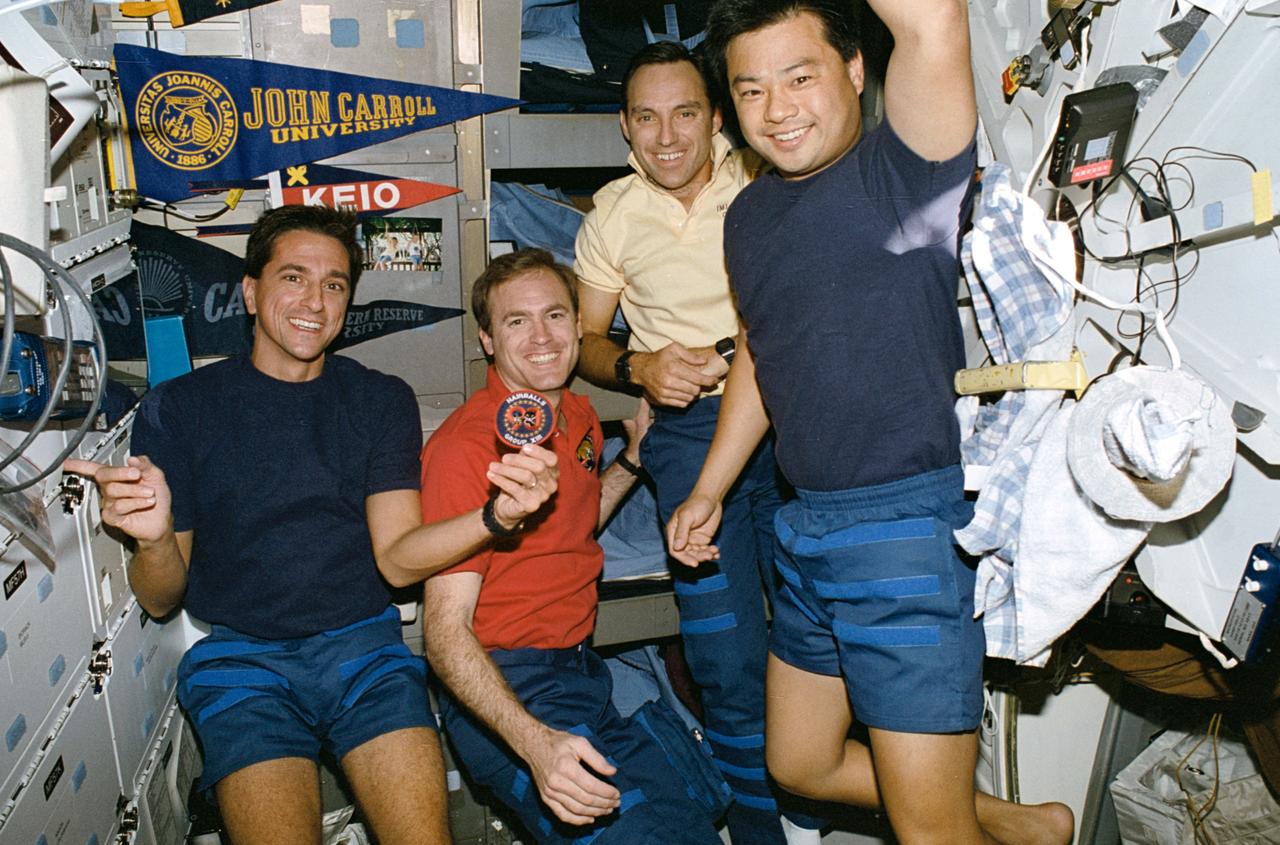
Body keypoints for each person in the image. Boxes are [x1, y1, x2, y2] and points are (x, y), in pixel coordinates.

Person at [667, 2, 1075, 844]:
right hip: (805, 525)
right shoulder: (748, 218)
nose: (777, 109)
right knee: (800, 764)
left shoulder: (908, 171)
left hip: (903, 532)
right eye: (750, 90)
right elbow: (758, 349)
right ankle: (1023, 826)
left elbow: (934, 25)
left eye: (800, 77)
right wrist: (710, 486)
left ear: (857, 72)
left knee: (929, 832)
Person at [63, 205, 457, 845]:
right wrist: (155, 537)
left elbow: (398, 554)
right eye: (294, 277)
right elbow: (161, 598)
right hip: (242, 659)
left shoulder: (381, 398)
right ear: (251, 292)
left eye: (334, 284)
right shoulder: (181, 409)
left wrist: (495, 517)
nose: (315, 300)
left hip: (366, 651)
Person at [573, 41, 820, 845]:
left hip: (791, 414)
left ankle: (823, 798)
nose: (667, 136)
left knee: (821, 627)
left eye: (686, 113)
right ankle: (760, 830)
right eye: (646, 118)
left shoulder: (764, 178)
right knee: (723, 658)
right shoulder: (613, 215)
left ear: (716, 117)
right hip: (683, 432)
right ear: (624, 128)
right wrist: (639, 365)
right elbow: (584, 340)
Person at [420, 248, 725, 845]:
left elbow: (572, 524)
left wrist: (632, 461)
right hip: (507, 689)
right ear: (487, 340)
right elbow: (444, 633)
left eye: (556, 316)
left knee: (694, 818)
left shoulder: (578, 417)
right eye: (516, 321)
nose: (542, 337)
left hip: (584, 674)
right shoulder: (470, 446)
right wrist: (536, 744)